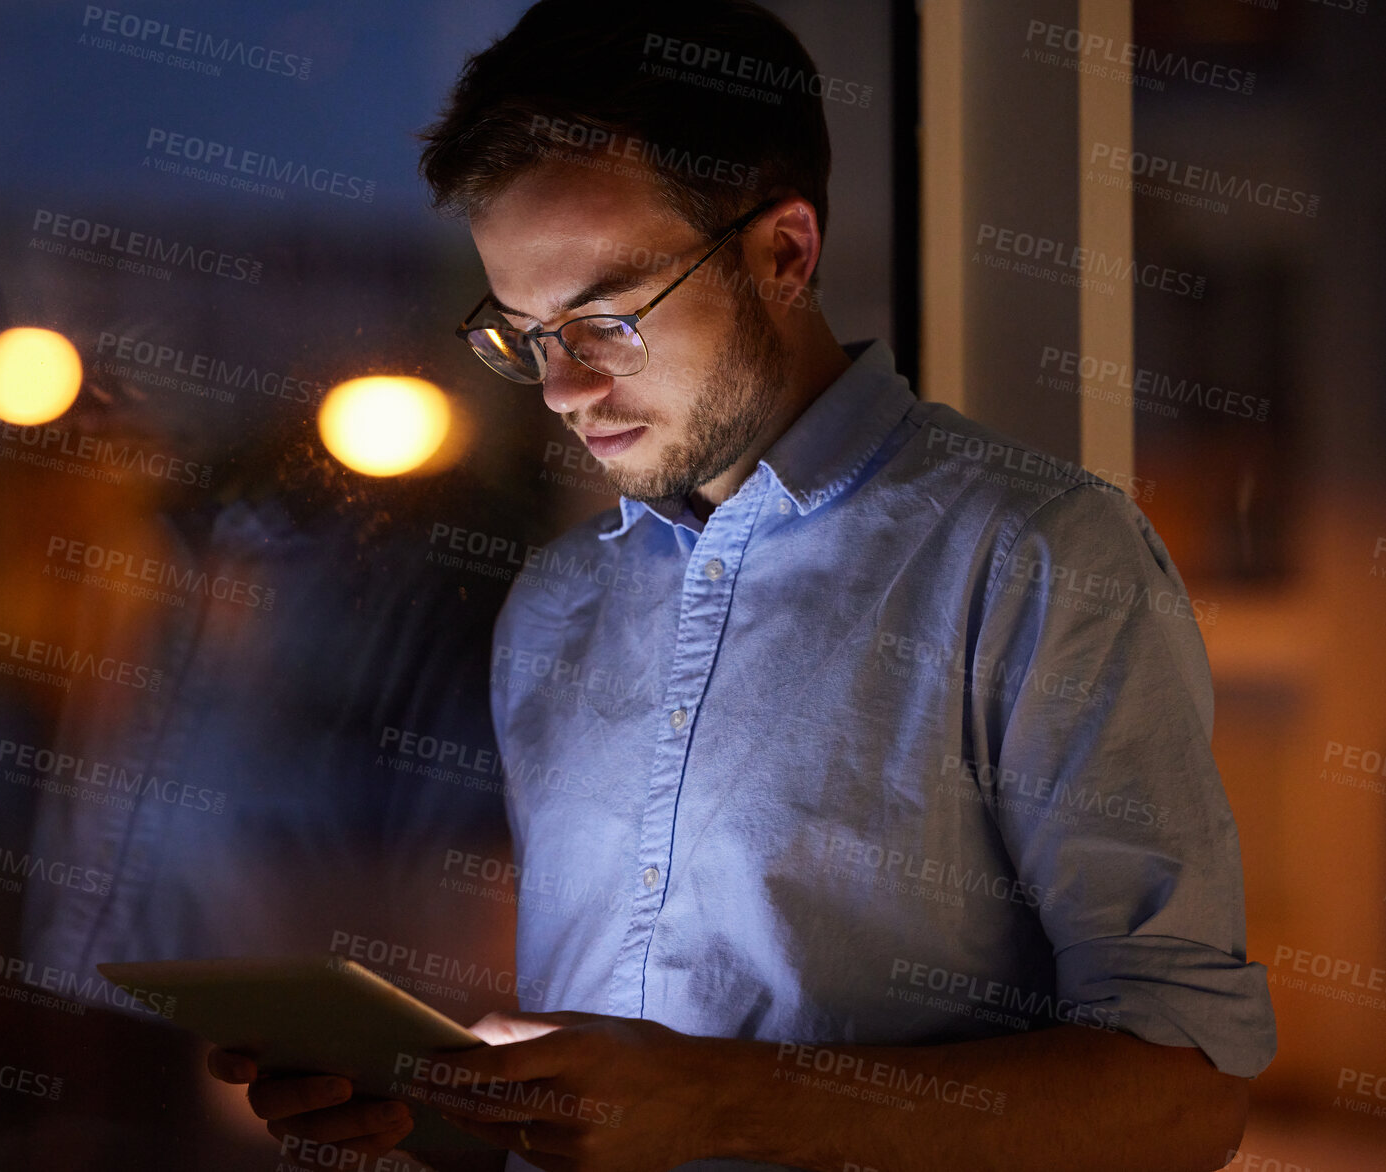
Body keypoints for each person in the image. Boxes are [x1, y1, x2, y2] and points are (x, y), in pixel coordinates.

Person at [208, 3, 1276, 1170]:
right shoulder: (560, 604)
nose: (560, 390)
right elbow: (619, 1100)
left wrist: (719, 1103)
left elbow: (1183, 1099)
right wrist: (438, 1111)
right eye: (523, 334)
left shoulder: (1040, 555)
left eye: (605, 321)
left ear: (785, 252)